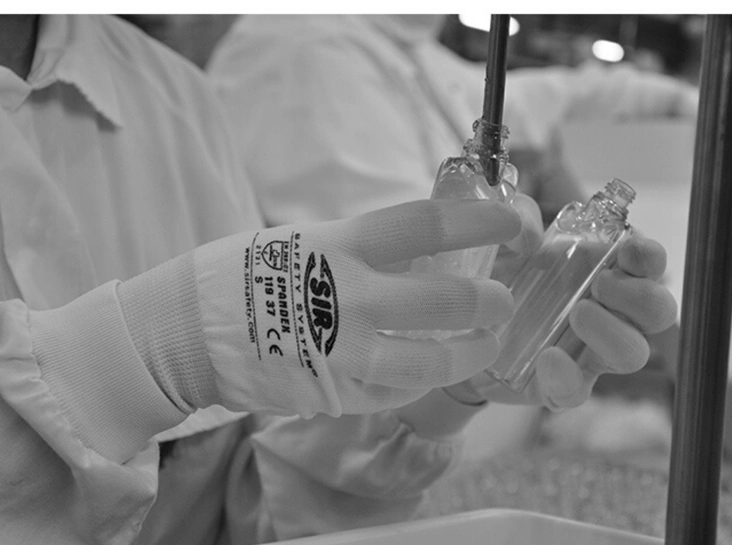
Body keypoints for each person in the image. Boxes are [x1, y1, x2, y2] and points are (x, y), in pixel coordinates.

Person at [0, 14, 676, 545]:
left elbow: (247, 510)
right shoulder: (296, 50)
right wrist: (152, 350)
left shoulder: (173, 96)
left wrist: (443, 386)